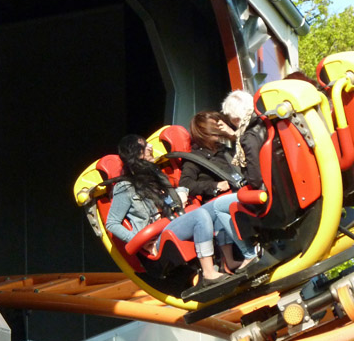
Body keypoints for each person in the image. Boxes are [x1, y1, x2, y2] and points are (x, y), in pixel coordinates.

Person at [105, 134, 229, 286]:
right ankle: (209, 273)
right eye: (144, 145)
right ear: (136, 153)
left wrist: (182, 193)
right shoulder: (125, 187)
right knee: (200, 215)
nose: (150, 147)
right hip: (158, 237)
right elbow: (112, 223)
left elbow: (170, 197)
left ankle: (231, 261)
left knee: (219, 205)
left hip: (176, 220)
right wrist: (139, 241)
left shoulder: (156, 174)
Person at [178, 109, 258, 272]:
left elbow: (249, 156)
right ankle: (246, 255)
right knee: (223, 206)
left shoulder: (224, 150)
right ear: (204, 132)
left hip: (238, 192)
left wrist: (232, 135)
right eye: (214, 128)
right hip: (216, 202)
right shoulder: (194, 159)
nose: (219, 131)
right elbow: (186, 183)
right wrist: (214, 186)